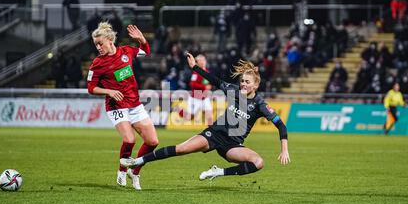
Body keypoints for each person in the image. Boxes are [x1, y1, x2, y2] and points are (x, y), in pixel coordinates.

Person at [121, 52, 290, 182]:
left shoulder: (261, 104)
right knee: (181, 149)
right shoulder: (234, 91)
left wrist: (284, 150)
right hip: (214, 134)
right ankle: (138, 161)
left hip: (232, 145)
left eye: (247, 82)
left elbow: (281, 125)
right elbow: (214, 80)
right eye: (243, 81)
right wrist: (195, 67)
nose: (244, 84)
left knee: (258, 162)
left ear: (256, 85)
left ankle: (218, 172)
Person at [87, 22, 159, 190]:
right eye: (96, 44)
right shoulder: (98, 63)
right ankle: (121, 171)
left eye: (100, 43)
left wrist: (141, 39)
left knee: (153, 141)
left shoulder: (126, 52)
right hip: (116, 106)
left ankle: (135, 171)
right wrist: (109, 91)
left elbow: (146, 51)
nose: (98, 47)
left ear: (110, 40)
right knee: (129, 139)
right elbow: (91, 88)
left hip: (134, 104)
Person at [180, 54, 214, 126]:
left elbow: (209, 83)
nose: (202, 62)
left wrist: (210, 86)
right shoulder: (196, 73)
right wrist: (204, 87)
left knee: (210, 118)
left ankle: (212, 134)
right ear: (197, 63)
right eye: (200, 60)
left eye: (203, 60)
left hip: (205, 98)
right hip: (195, 99)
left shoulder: (207, 72)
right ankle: (178, 110)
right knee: (189, 118)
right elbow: (192, 84)